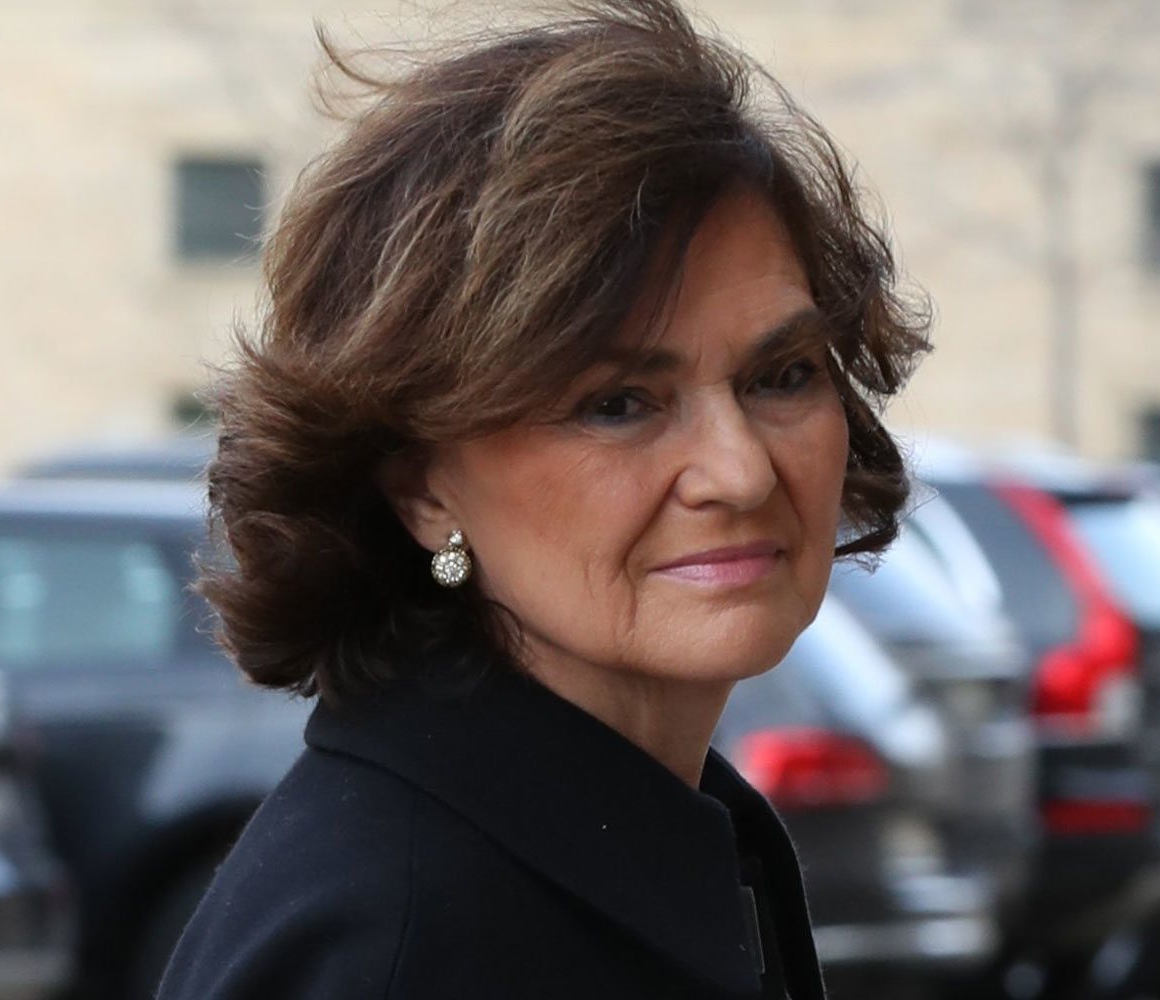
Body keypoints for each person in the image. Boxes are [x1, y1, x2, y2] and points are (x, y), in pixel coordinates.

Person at [158, 2, 928, 997]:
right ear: (422, 489)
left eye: (780, 376)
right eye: (618, 404)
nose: (738, 472)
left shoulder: (632, 836)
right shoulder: (404, 939)